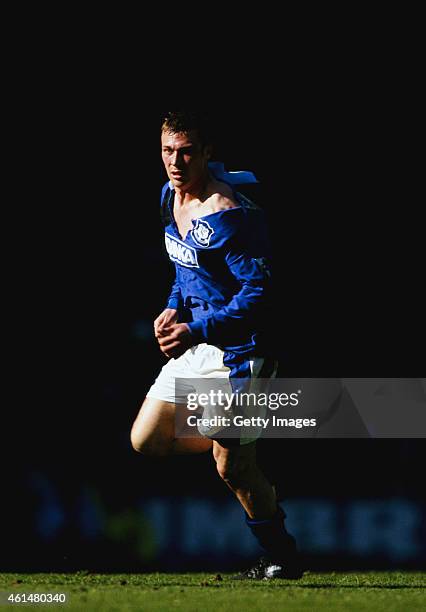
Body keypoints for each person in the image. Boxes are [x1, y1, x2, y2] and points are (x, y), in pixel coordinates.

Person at [130, 111, 303, 579]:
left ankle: (282, 556)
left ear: (208, 153)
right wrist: (173, 308)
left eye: (186, 150)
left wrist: (195, 329)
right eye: (168, 150)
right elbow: (185, 269)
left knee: (232, 468)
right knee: (146, 440)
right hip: (200, 339)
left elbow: (260, 296)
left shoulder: (230, 214)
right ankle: (235, 436)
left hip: (244, 349)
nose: (176, 160)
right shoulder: (169, 197)